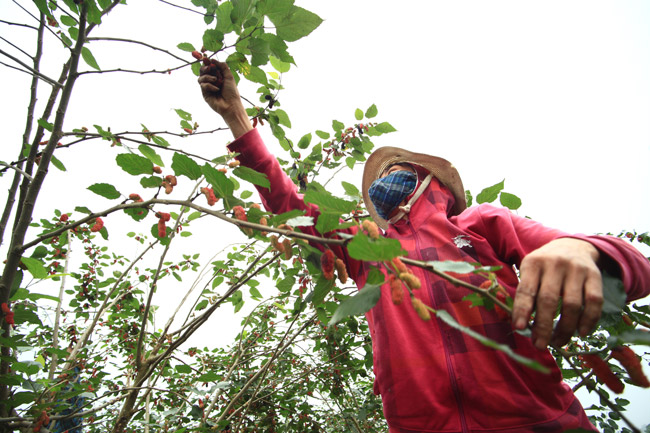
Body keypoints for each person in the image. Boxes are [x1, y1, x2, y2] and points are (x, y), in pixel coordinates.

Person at [199, 62, 650, 433]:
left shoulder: (483, 223)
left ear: (431, 181)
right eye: (378, 179)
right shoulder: (367, 250)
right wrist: (238, 119)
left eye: (399, 171)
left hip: (537, 422)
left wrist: (581, 252)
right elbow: (290, 207)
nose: (383, 182)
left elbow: (634, 266)